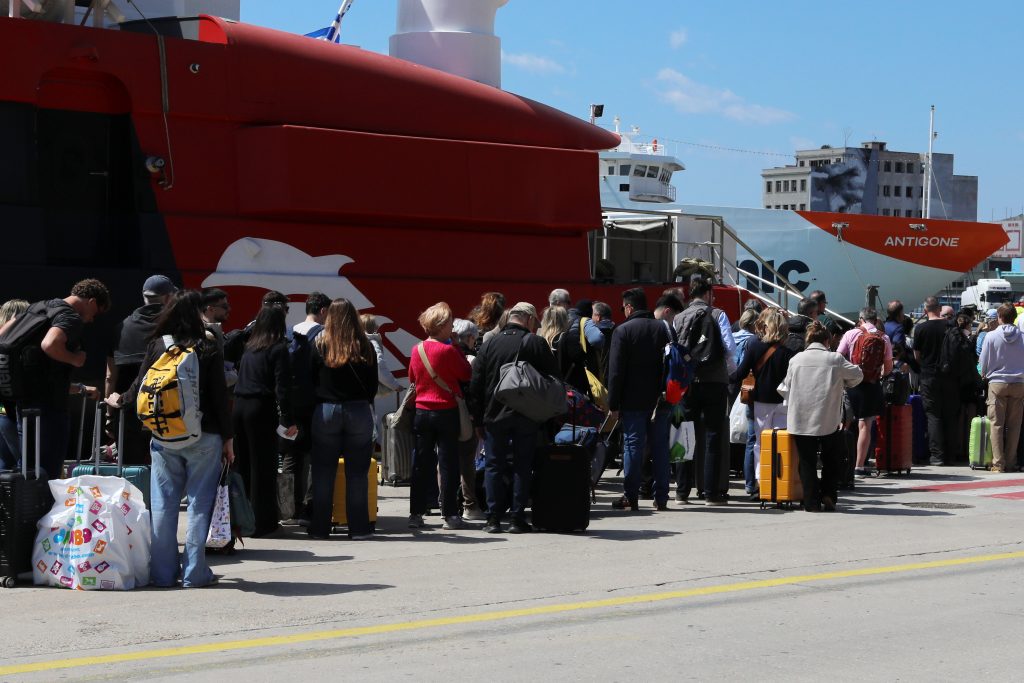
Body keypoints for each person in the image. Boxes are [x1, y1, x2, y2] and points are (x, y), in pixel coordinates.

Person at [108, 289, 232, 588]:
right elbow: (219, 395)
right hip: (205, 435)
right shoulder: (208, 345)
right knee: (200, 504)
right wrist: (228, 438)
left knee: (163, 505)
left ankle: (163, 574)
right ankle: (195, 573)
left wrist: (118, 399)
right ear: (198, 313)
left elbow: (139, 386)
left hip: (164, 435)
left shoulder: (157, 344)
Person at [0, 279, 110, 481]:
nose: (91, 320)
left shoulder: (36, 307)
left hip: (23, 402)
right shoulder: (70, 317)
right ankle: (42, 501)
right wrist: (75, 359)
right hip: (49, 404)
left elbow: (3, 336)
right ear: (92, 301)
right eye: (95, 314)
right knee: (48, 472)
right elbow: (50, 344)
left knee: (28, 468)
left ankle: (25, 501)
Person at [469, 302, 559, 533]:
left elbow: (476, 385)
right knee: (522, 465)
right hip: (527, 414)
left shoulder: (489, 344)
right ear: (528, 319)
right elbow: (553, 377)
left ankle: (493, 519)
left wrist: (477, 420)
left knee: (493, 465)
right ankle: (517, 518)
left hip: (494, 415)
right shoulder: (535, 342)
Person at [308, 298, 378, 540]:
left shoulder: (320, 344)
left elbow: (310, 380)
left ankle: (319, 528)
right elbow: (372, 386)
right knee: (357, 473)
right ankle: (358, 528)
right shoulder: (365, 346)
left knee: (323, 472)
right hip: (358, 409)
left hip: (326, 410)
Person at [778, 321, 863, 511]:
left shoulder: (796, 359)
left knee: (806, 462)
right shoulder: (835, 359)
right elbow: (858, 374)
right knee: (832, 458)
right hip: (828, 418)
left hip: (801, 418)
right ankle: (828, 494)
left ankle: (811, 502)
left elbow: (785, 387)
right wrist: (844, 383)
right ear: (827, 341)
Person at [407, 302, 472, 531]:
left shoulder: (417, 349)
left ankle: (416, 514)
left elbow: (412, 378)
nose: (452, 326)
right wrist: (457, 347)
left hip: (422, 411)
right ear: (442, 325)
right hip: (446, 411)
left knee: (421, 463)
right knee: (448, 464)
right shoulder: (449, 350)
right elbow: (466, 373)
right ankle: (450, 514)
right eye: (450, 322)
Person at [233, 304, 296, 537]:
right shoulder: (278, 349)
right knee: (263, 466)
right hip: (260, 408)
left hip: (239, 406)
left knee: (243, 465)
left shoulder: (249, 348)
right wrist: (288, 418)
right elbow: (282, 387)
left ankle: (242, 519)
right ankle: (263, 523)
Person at [607, 288, 673, 511]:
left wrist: (613, 403)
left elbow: (615, 372)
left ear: (629, 307)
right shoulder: (663, 329)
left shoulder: (623, 331)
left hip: (632, 399)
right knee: (660, 447)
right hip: (661, 399)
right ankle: (661, 497)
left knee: (633, 446)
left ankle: (631, 496)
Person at [673, 276, 737, 504]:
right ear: (708, 294)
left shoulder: (679, 317)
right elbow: (730, 349)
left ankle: (681, 492)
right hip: (714, 381)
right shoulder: (718, 315)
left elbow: (674, 350)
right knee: (713, 436)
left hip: (687, 383)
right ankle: (710, 493)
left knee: (683, 434)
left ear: (691, 294)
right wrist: (726, 372)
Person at [105, 275, 177, 466]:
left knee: (129, 470)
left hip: (127, 410)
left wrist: (109, 415)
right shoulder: (176, 326)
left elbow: (110, 376)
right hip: (167, 411)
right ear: (168, 297)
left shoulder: (121, 327)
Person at [732, 308, 795, 498]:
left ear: (767, 327)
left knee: (760, 444)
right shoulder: (788, 353)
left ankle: (761, 484)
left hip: (761, 402)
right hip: (783, 402)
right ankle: (781, 482)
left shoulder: (755, 347)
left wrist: (725, 379)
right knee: (781, 442)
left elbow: (741, 373)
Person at [282, 292, 329, 524]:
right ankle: (309, 508)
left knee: (291, 454)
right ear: (323, 311)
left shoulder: (289, 332)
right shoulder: (323, 334)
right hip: (314, 403)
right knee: (314, 455)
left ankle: (288, 508)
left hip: (291, 404)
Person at [838, 306, 893, 476]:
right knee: (865, 426)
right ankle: (859, 466)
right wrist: (879, 374)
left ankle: (841, 462)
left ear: (860, 319)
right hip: (871, 384)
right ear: (876, 320)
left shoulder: (851, 334)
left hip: (850, 384)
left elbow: (838, 357)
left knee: (844, 424)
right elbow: (888, 366)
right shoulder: (883, 337)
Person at [914, 297, 960, 466]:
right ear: (940, 309)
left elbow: (917, 355)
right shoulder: (951, 326)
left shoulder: (920, 328)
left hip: (929, 375)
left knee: (933, 415)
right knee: (950, 415)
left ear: (925, 310)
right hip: (950, 377)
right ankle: (951, 454)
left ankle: (937, 455)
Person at [979, 304, 1024, 473]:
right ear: (1014, 317)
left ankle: (998, 463)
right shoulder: (1023, 337)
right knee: (1015, 425)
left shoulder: (990, 336)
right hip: (1019, 383)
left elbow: (983, 361)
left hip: (997, 383)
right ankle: (1011, 462)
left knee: (996, 424)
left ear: (999, 317)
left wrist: (984, 373)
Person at [451, 318, 486, 520]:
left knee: (445, 460)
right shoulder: (470, 359)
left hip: (445, 412)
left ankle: (446, 503)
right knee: (467, 461)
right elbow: (474, 391)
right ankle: (469, 505)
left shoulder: (446, 354)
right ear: (470, 337)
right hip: (466, 415)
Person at [731, 308, 759, 496]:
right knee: (751, 436)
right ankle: (751, 480)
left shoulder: (732, 337)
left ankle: (734, 466)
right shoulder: (752, 341)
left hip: (730, 382)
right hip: (746, 386)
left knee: (735, 427)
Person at [557, 299, 606, 399]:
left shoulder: (562, 319)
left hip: (562, 375)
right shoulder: (585, 321)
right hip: (581, 375)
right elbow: (597, 339)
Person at [0, 298, 28, 470]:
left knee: (4, 463)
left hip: (2, 411)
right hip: (14, 412)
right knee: (25, 465)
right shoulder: (16, 344)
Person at [592, 301, 616, 383]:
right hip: (614, 377)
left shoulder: (592, 334)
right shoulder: (619, 330)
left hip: (597, 380)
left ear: (598, 317)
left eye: (592, 315)